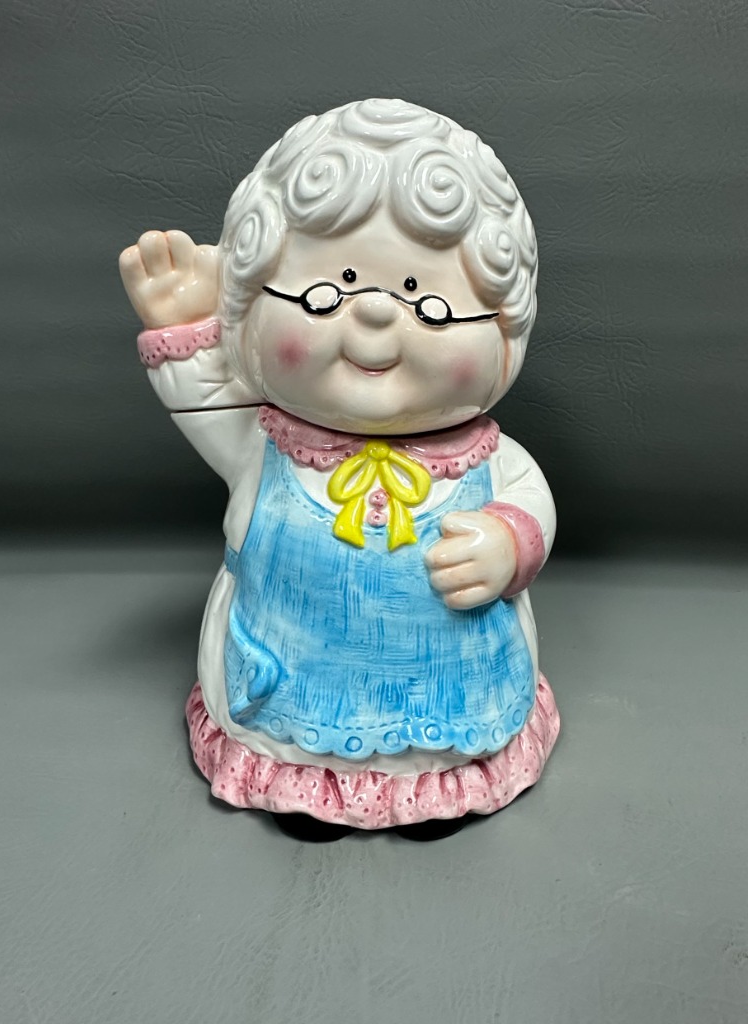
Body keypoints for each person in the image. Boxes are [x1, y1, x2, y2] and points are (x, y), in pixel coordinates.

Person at [119, 98, 559, 841]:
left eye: (430, 305)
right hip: (293, 685)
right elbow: (204, 398)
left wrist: (506, 544)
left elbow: (530, 505)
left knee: (445, 724)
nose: (377, 317)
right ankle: (300, 784)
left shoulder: (488, 458)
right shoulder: (262, 441)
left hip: (451, 687)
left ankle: (437, 783)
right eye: (329, 293)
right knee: (294, 726)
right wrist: (186, 325)